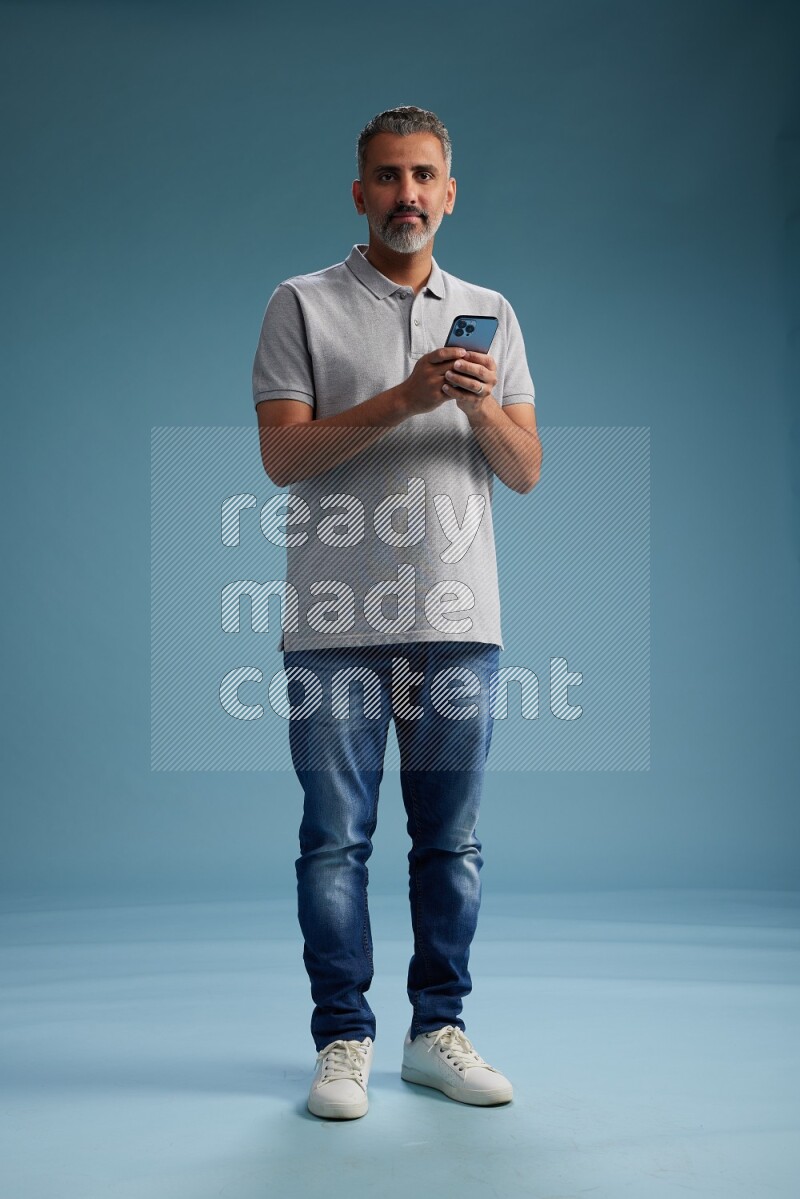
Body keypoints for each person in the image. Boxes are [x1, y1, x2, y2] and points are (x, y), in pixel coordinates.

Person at [252, 105, 541, 1120]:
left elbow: (525, 470)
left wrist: (471, 403)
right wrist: (400, 399)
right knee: (334, 840)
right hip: (333, 621)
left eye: (423, 176)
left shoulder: (492, 311)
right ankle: (342, 1039)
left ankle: (435, 1030)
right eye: (386, 176)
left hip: (459, 616)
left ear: (448, 192)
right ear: (358, 192)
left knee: (449, 843)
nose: (405, 194)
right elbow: (281, 456)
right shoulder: (301, 302)